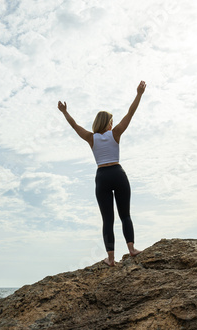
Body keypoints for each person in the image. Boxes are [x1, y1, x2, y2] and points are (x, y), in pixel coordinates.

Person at [57, 81, 146, 267]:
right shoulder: (116, 134)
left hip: (102, 176)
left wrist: (65, 112)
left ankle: (111, 259)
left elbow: (74, 126)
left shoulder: (91, 138)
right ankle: (131, 249)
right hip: (118, 173)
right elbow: (130, 113)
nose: (113, 125)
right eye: (112, 122)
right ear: (108, 123)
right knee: (125, 215)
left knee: (107, 219)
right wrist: (139, 94)